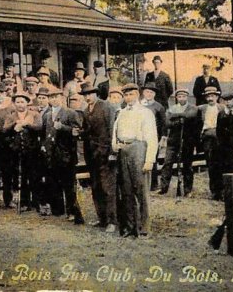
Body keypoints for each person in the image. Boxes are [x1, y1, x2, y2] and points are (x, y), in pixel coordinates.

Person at [112, 84, 158, 238]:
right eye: (126, 95)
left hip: (139, 150)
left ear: (137, 95)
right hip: (123, 151)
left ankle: (144, 228)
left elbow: (152, 138)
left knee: (141, 191)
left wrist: (149, 160)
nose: (128, 98)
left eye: (131, 94)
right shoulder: (122, 113)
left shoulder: (145, 113)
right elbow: (115, 132)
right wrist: (115, 146)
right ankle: (130, 227)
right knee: (126, 191)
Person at [41, 88, 84, 224]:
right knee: (54, 182)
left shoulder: (70, 113)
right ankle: (58, 209)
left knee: (69, 185)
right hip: (51, 154)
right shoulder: (47, 115)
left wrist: (63, 128)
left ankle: (72, 211)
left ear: (61, 98)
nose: (53, 99)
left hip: (66, 155)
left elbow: (77, 132)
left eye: (56, 97)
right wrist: (43, 144)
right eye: (51, 97)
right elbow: (44, 133)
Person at [81, 83, 117, 233]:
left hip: (105, 153)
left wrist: (111, 152)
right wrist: (79, 132)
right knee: (96, 187)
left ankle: (112, 221)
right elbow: (87, 132)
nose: (87, 97)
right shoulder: (85, 111)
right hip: (91, 154)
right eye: (85, 94)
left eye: (90, 94)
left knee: (107, 187)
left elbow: (111, 129)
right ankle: (101, 218)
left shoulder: (106, 107)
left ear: (95, 93)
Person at [158, 89, 199, 196]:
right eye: (179, 96)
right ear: (176, 98)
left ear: (187, 97)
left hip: (187, 141)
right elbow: (167, 122)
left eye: (184, 96)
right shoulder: (172, 108)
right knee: (167, 163)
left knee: (187, 165)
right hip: (173, 140)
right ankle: (164, 188)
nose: (182, 98)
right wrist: (179, 119)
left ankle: (187, 190)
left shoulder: (193, 108)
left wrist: (175, 116)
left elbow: (191, 116)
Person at [198, 86, 224, 199]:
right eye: (208, 96)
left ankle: (223, 190)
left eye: (212, 96)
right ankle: (214, 191)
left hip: (220, 138)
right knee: (211, 164)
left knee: (221, 163)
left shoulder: (222, 108)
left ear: (217, 97)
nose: (210, 98)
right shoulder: (201, 108)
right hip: (207, 138)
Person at [141, 82, 167, 190]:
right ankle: (143, 183)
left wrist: (163, 138)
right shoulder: (139, 105)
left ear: (154, 94)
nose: (149, 94)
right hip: (141, 137)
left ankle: (153, 184)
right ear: (143, 93)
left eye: (151, 92)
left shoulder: (158, 106)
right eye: (147, 91)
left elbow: (163, 124)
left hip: (153, 137)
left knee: (153, 160)